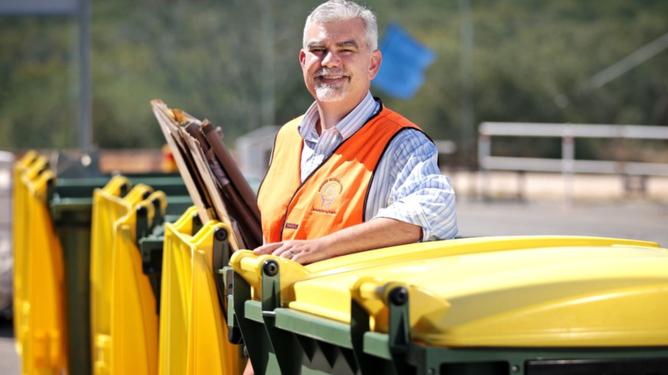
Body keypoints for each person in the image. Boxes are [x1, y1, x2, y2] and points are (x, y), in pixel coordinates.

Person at [254, 0, 457, 265]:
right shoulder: (288, 135)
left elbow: (436, 212)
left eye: (346, 49)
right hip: (272, 304)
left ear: (373, 64)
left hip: (347, 305)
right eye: (318, 49)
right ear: (303, 61)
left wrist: (323, 248)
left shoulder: (403, 142)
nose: (330, 61)